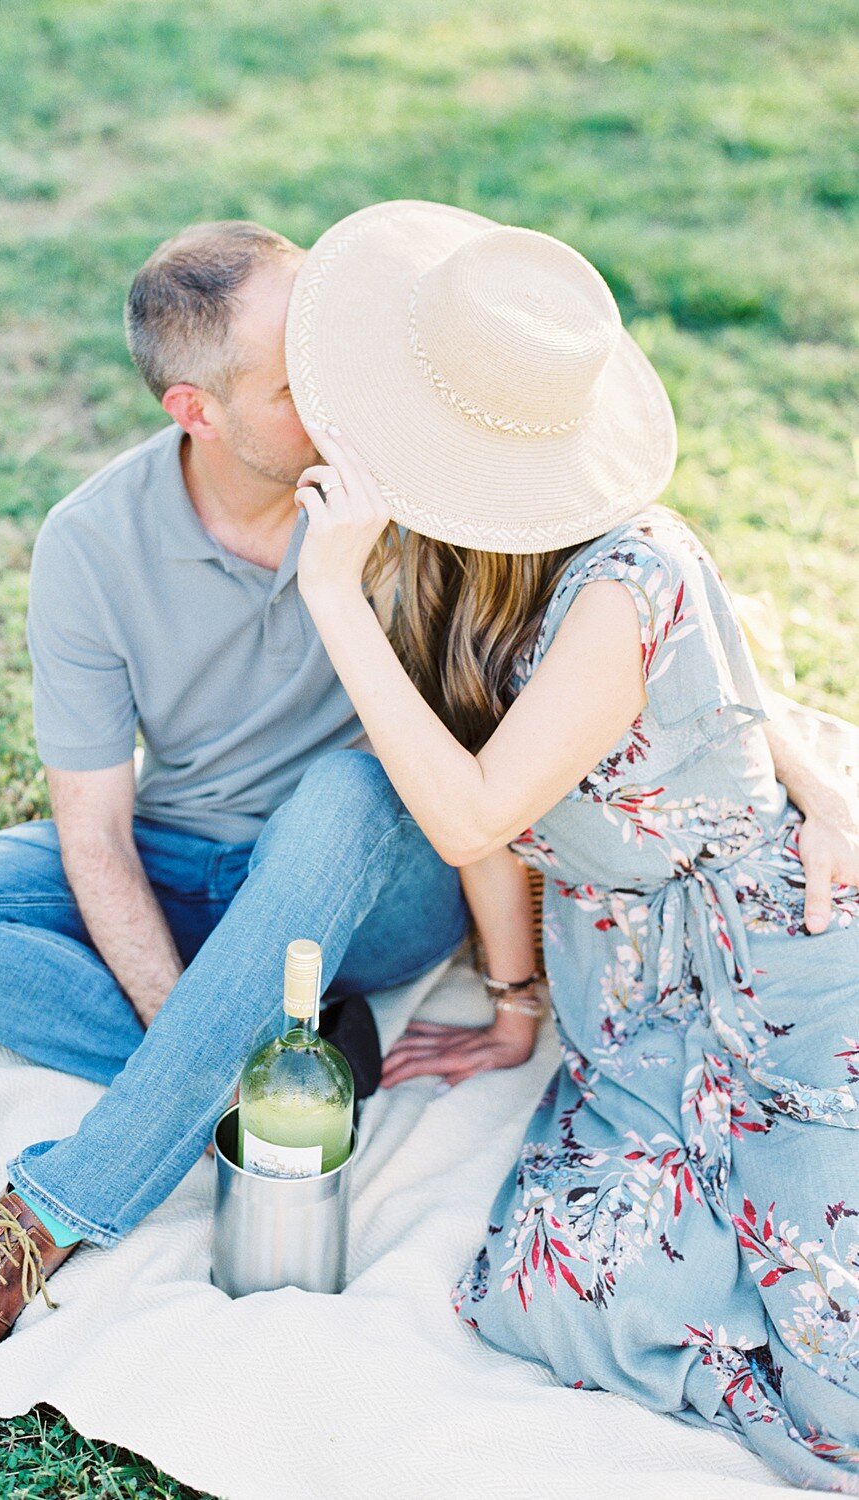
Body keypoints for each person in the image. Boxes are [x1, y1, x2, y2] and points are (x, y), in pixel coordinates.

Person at [0, 214, 847, 1403]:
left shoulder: (421, 500)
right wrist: (191, 1031)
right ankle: (291, 1055)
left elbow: (658, 654)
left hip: (375, 872)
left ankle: (43, 1217)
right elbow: (97, 833)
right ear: (196, 411)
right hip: (187, 858)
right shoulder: (93, 542)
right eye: (301, 382)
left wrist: (815, 787)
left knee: (345, 785)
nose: (347, 403)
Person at [281, 199, 859, 1492]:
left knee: (845, 1395)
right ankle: (731, 1234)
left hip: (777, 949)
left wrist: (328, 594)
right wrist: (513, 1002)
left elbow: (475, 810)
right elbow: (496, 839)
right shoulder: (418, 564)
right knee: (528, 1293)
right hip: (631, 984)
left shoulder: (625, 576)